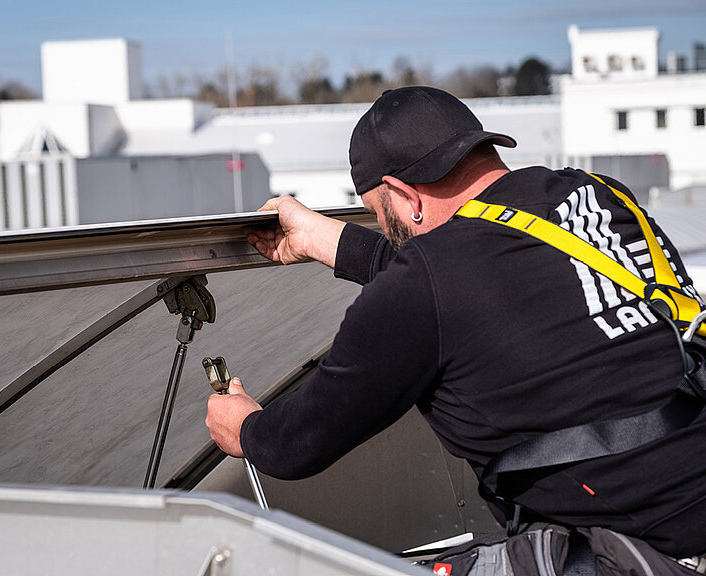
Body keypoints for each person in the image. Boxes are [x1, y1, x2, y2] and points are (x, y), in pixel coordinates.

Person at [205, 86, 706, 566]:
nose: (382, 228)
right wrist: (323, 239)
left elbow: (299, 441)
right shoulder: (595, 194)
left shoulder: (433, 279)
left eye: (379, 215)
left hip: (651, 555)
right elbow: (466, 283)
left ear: (405, 194)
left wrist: (247, 429)